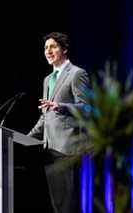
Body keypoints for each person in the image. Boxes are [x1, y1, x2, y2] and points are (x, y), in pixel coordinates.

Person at [28, 32, 89, 213]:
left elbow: (86, 108)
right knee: (57, 206)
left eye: (53, 46)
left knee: (67, 206)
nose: (48, 51)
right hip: (49, 151)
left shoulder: (77, 74)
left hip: (67, 149)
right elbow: (46, 116)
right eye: (46, 48)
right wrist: (24, 139)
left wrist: (60, 106)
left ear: (64, 49)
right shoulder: (48, 80)